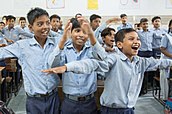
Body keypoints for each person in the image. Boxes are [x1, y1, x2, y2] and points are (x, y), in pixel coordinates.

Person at [43, 28, 172, 114]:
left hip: (129, 109)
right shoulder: (114, 59)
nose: (136, 42)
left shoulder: (142, 62)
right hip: (111, 110)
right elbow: (92, 64)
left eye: (137, 39)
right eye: (131, 39)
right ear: (120, 44)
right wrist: (67, 67)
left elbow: (161, 63)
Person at [0, 7, 60, 114]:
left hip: (53, 98)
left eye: (47, 23)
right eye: (40, 24)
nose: (45, 27)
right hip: (34, 101)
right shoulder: (22, 46)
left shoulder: (56, 43)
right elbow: (2, 53)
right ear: (31, 28)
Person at [48, 17, 103, 114]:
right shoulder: (64, 50)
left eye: (85, 32)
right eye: (77, 31)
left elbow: (104, 60)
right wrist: (63, 40)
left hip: (89, 101)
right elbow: (53, 65)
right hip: (70, 101)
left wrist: (92, 36)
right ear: (71, 33)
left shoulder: (92, 49)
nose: (81, 35)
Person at [159, 19, 172, 101]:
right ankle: (167, 99)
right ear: (170, 26)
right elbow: (162, 49)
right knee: (167, 82)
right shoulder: (166, 36)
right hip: (168, 62)